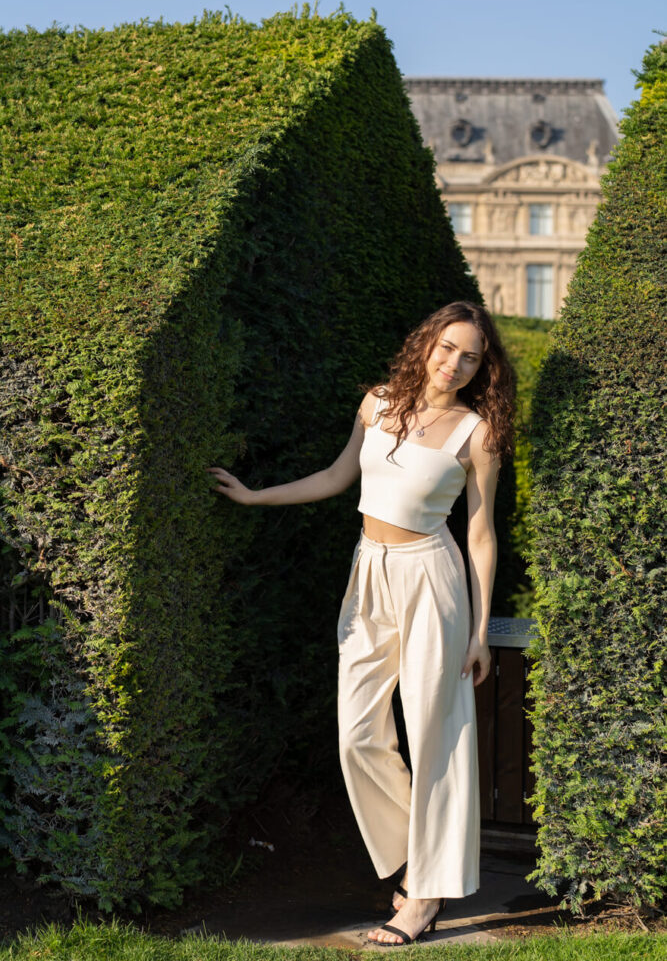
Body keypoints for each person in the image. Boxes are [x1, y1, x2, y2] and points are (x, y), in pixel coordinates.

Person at [210, 300, 515, 947]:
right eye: (446, 347)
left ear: (481, 365)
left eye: (470, 355)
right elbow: (336, 475)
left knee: (435, 735)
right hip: (368, 572)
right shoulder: (376, 403)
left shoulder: (476, 431)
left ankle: (421, 897)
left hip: (432, 576)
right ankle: (422, 857)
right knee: (357, 736)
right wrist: (255, 495)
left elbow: (482, 532)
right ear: (424, 343)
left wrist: (481, 630)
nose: (454, 363)